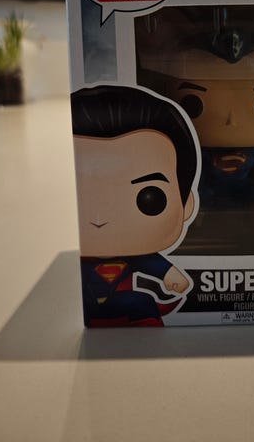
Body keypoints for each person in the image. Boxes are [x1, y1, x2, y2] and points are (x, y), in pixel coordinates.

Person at [71, 85, 199, 326]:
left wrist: (170, 275)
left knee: (140, 302)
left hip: (117, 302)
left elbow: (151, 263)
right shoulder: (70, 260)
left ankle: (149, 326)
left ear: (186, 205)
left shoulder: (137, 257)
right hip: (74, 304)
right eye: (79, 195)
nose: (99, 218)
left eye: (149, 198)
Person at [164, 29, 254, 203]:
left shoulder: (253, 151)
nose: (231, 120)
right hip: (206, 186)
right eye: (193, 104)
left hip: (242, 184)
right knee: (197, 197)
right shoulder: (203, 152)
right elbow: (188, 163)